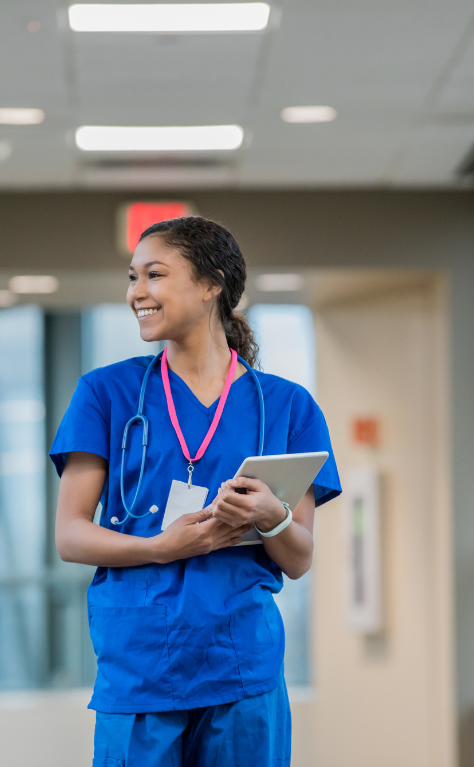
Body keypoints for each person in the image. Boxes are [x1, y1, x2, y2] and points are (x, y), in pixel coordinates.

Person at [49, 216, 342, 767]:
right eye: (132, 278)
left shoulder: (287, 407)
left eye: (155, 275)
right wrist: (160, 547)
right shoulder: (105, 394)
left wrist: (270, 517)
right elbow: (70, 535)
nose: (137, 292)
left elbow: (300, 558)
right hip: (139, 665)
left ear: (213, 284)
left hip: (241, 665)